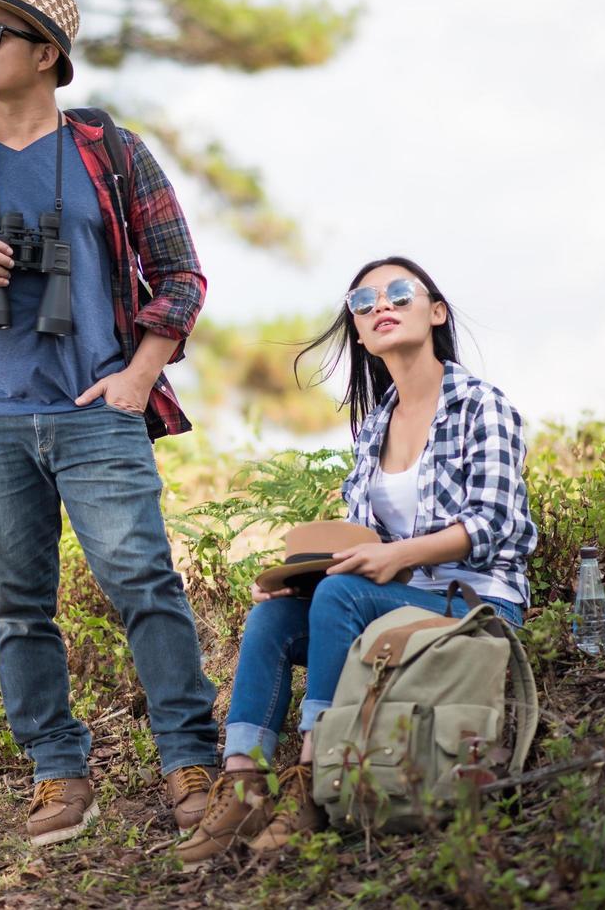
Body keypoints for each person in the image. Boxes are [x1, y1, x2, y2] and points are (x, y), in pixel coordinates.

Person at [0, 0, 219, 848]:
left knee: (142, 583)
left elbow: (181, 275)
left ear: (46, 55)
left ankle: (190, 763)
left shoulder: (107, 148)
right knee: (18, 605)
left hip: (97, 404)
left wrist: (140, 374)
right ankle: (58, 777)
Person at [176, 256, 537, 869]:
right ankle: (243, 784)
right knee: (274, 619)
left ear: (437, 311)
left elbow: (497, 523)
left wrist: (393, 555)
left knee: (339, 597)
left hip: (478, 606)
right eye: (363, 303)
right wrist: (303, 582)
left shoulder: (481, 406)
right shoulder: (373, 428)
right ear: (361, 331)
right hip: (392, 603)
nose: (380, 307)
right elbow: (360, 537)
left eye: (399, 292)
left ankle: (318, 774)